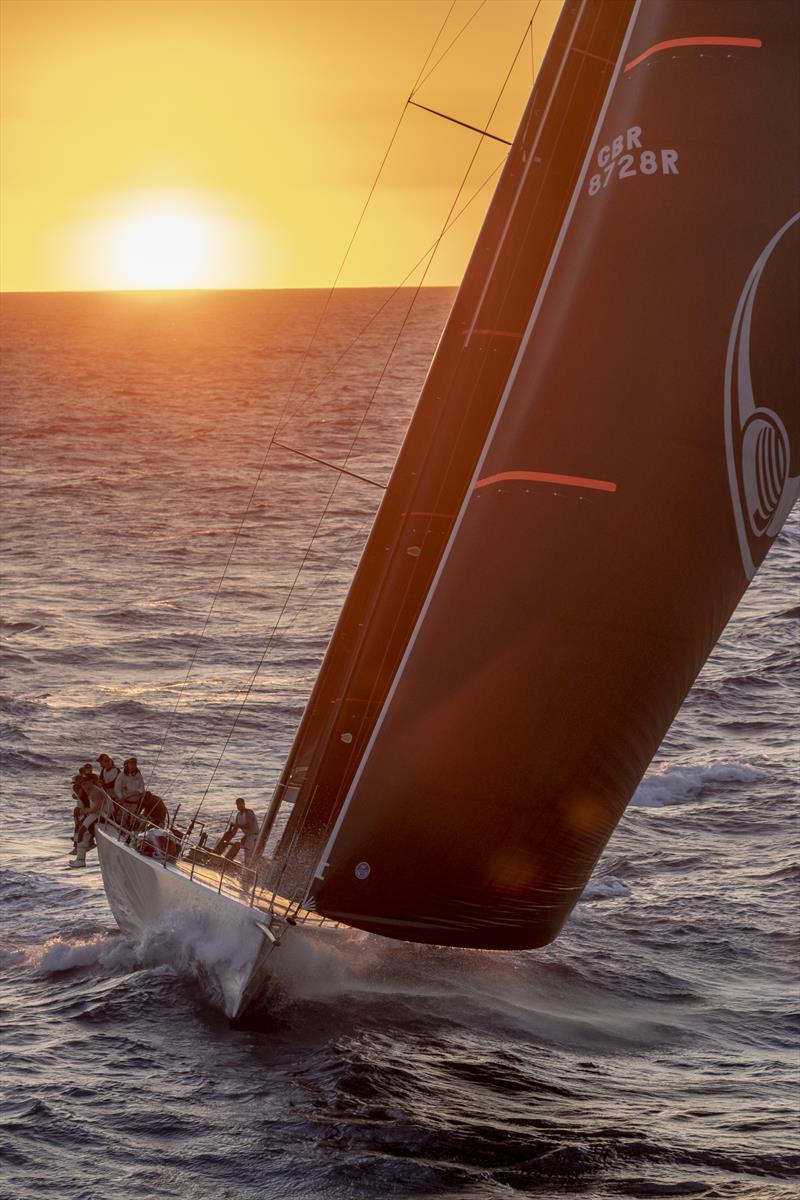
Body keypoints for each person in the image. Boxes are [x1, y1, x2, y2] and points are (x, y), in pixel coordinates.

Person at [70, 779, 109, 868]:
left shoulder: (95, 792)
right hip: (95, 813)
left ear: (90, 782)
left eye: (85, 784)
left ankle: (80, 860)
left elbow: (97, 808)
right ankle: (79, 858)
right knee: (81, 831)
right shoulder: (91, 790)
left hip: (99, 814)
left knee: (82, 831)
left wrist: (86, 811)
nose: (84, 787)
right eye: (82, 785)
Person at [230, 797, 260, 866]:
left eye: (240, 804)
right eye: (237, 805)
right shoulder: (238, 815)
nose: (238, 806)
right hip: (248, 835)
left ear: (244, 804)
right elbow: (235, 828)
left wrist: (238, 826)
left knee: (248, 854)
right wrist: (230, 834)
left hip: (254, 835)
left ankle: (249, 868)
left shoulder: (249, 813)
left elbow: (248, 825)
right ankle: (247, 866)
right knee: (245, 852)